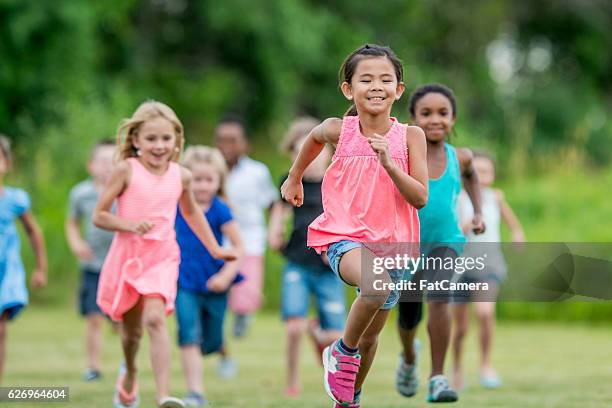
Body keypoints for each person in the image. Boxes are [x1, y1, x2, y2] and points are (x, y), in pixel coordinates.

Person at [282, 44, 428, 408]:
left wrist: (392, 165)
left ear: (398, 89)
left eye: (385, 79)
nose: (376, 86)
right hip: (344, 235)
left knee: (370, 337)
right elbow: (313, 138)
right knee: (375, 288)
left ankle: (349, 399)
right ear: (349, 89)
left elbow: (420, 197)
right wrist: (294, 177)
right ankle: (339, 352)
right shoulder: (339, 130)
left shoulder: (411, 137)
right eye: (366, 79)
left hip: (394, 245)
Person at [93, 101, 236, 408]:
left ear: (176, 140)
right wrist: (129, 225)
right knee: (131, 334)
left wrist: (215, 248)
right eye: (151, 139)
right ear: (136, 141)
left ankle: (163, 396)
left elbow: (192, 213)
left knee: (156, 320)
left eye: (166, 139)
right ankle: (130, 373)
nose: (159, 146)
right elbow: (100, 215)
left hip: (162, 256)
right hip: (129, 256)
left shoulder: (180, 176)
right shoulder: (125, 170)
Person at [395, 83, 484, 403]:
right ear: (413, 119)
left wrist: (478, 212)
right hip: (407, 243)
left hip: (446, 240)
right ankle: (407, 357)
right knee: (408, 314)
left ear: (454, 118)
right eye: (427, 113)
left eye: (443, 113)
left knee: (440, 296)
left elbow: (473, 176)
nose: (435, 120)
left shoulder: (460, 157)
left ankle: (437, 378)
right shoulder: (402, 154)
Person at [268, 117, 346, 398]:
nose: (311, 158)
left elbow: (346, 219)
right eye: (301, 151)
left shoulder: (336, 183)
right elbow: (280, 211)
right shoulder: (290, 182)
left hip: (329, 268)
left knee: (336, 335)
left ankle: (320, 337)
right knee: (293, 328)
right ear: (293, 155)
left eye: (317, 151)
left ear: (328, 152)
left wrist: (338, 248)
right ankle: (292, 379)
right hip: (298, 263)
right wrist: (274, 230)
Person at [174, 146, 244, 407]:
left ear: (219, 181)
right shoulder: (177, 206)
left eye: (208, 180)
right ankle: (195, 392)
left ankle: (219, 351)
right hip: (184, 282)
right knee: (188, 333)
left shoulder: (220, 209)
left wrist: (226, 276)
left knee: (211, 340)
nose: (202, 186)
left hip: (215, 283)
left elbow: (239, 248)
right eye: (197, 179)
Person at [451, 151, 525, 391]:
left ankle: (485, 365)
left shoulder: (496, 197)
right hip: (461, 268)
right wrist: (469, 223)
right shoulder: (459, 199)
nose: (481, 177)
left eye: (486, 172)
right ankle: (456, 368)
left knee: (484, 313)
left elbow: (511, 221)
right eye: (477, 171)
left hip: (489, 265)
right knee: (460, 327)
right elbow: (453, 233)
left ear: (493, 175)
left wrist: (517, 234)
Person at [214, 115, 278, 338]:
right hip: (217, 239)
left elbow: (271, 202)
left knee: (246, 291)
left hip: (250, 239)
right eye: (222, 140)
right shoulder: (210, 170)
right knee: (217, 288)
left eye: (233, 140)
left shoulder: (257, 172)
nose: (227, 146)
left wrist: (275, 229)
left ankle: (242, 316)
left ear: (244, 144)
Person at [66, 139, 116, 381]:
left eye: (113, 161)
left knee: (121, 319)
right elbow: (72, 223)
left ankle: (127, 364)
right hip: (93, 265)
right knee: (93, 317)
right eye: (103, 161)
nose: (108, 167)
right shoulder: (80, 193)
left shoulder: (125, 191)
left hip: (120, 265)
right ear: (91, 165)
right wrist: (76, 243)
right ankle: (94, 366)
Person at [0, 135, 47, 385]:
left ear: (7, 163)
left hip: (6, 269)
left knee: (0, 329)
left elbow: (33, 232)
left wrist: (41, 268)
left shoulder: (15, 199)